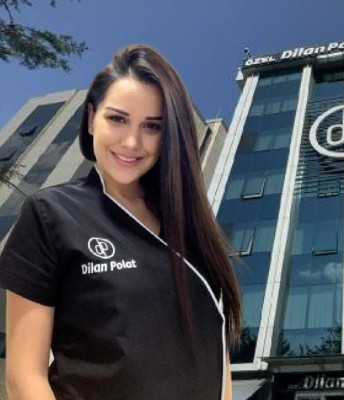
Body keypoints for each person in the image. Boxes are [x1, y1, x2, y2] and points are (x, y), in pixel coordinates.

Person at [0, 45, 242, 399]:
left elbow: (217, 360)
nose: (132, 142)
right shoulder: (51, 213)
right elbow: (24, 376)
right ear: (91, 119)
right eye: (117, 119)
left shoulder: (194, 230)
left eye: (152, 126)